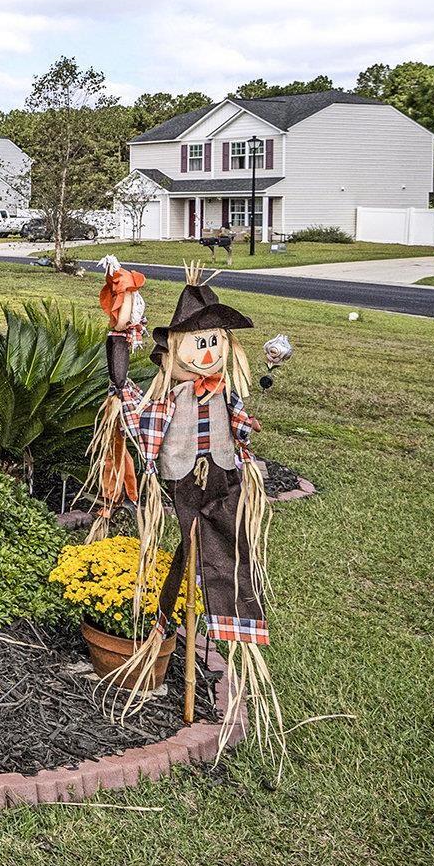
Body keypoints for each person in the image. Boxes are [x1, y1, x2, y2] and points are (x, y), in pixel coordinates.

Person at [91, 258, 283, 764]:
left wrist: (244, 429)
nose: (211, 350)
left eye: (216, 340)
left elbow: (234, 423)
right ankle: (174, 628)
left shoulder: (224, 392)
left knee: (226, 550)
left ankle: (225, 627)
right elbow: (134, 410)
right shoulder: (170, 397)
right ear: (175, 350)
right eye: (200, 342)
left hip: (224, 480)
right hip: (181, 482)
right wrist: (118, 357)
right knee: (196, 546)